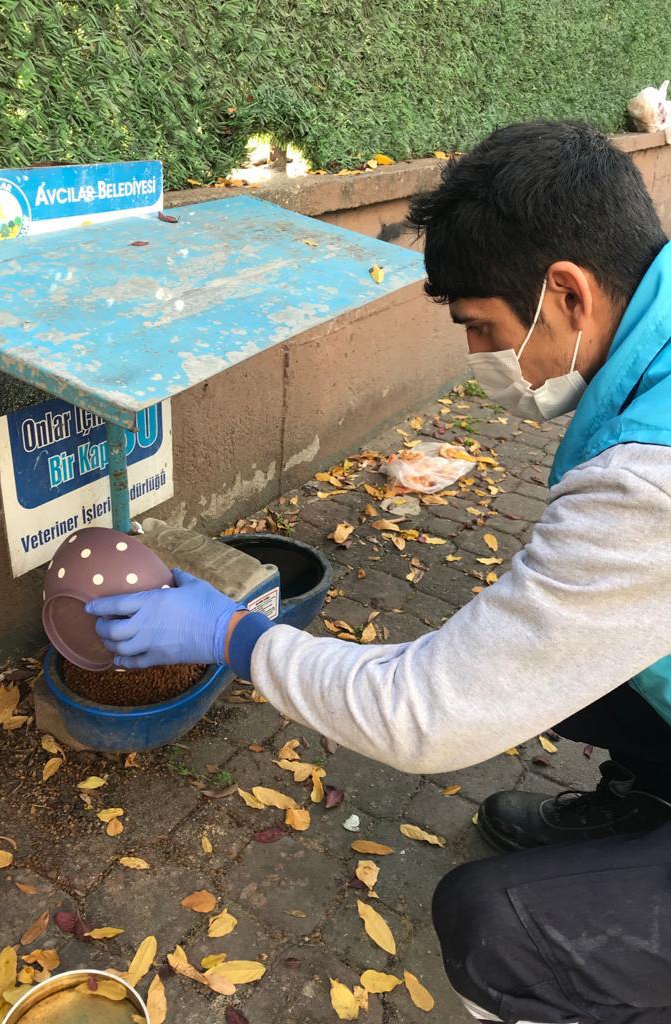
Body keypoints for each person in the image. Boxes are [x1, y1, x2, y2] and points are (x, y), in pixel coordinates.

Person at [87, 122, 671, 1024]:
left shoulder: (648, 486)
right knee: (563, 671)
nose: (478, 359)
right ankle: (649, 802)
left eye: (482, 328)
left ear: (567, 292)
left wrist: (232, 636)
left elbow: (427, 716)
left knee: (493, 927)